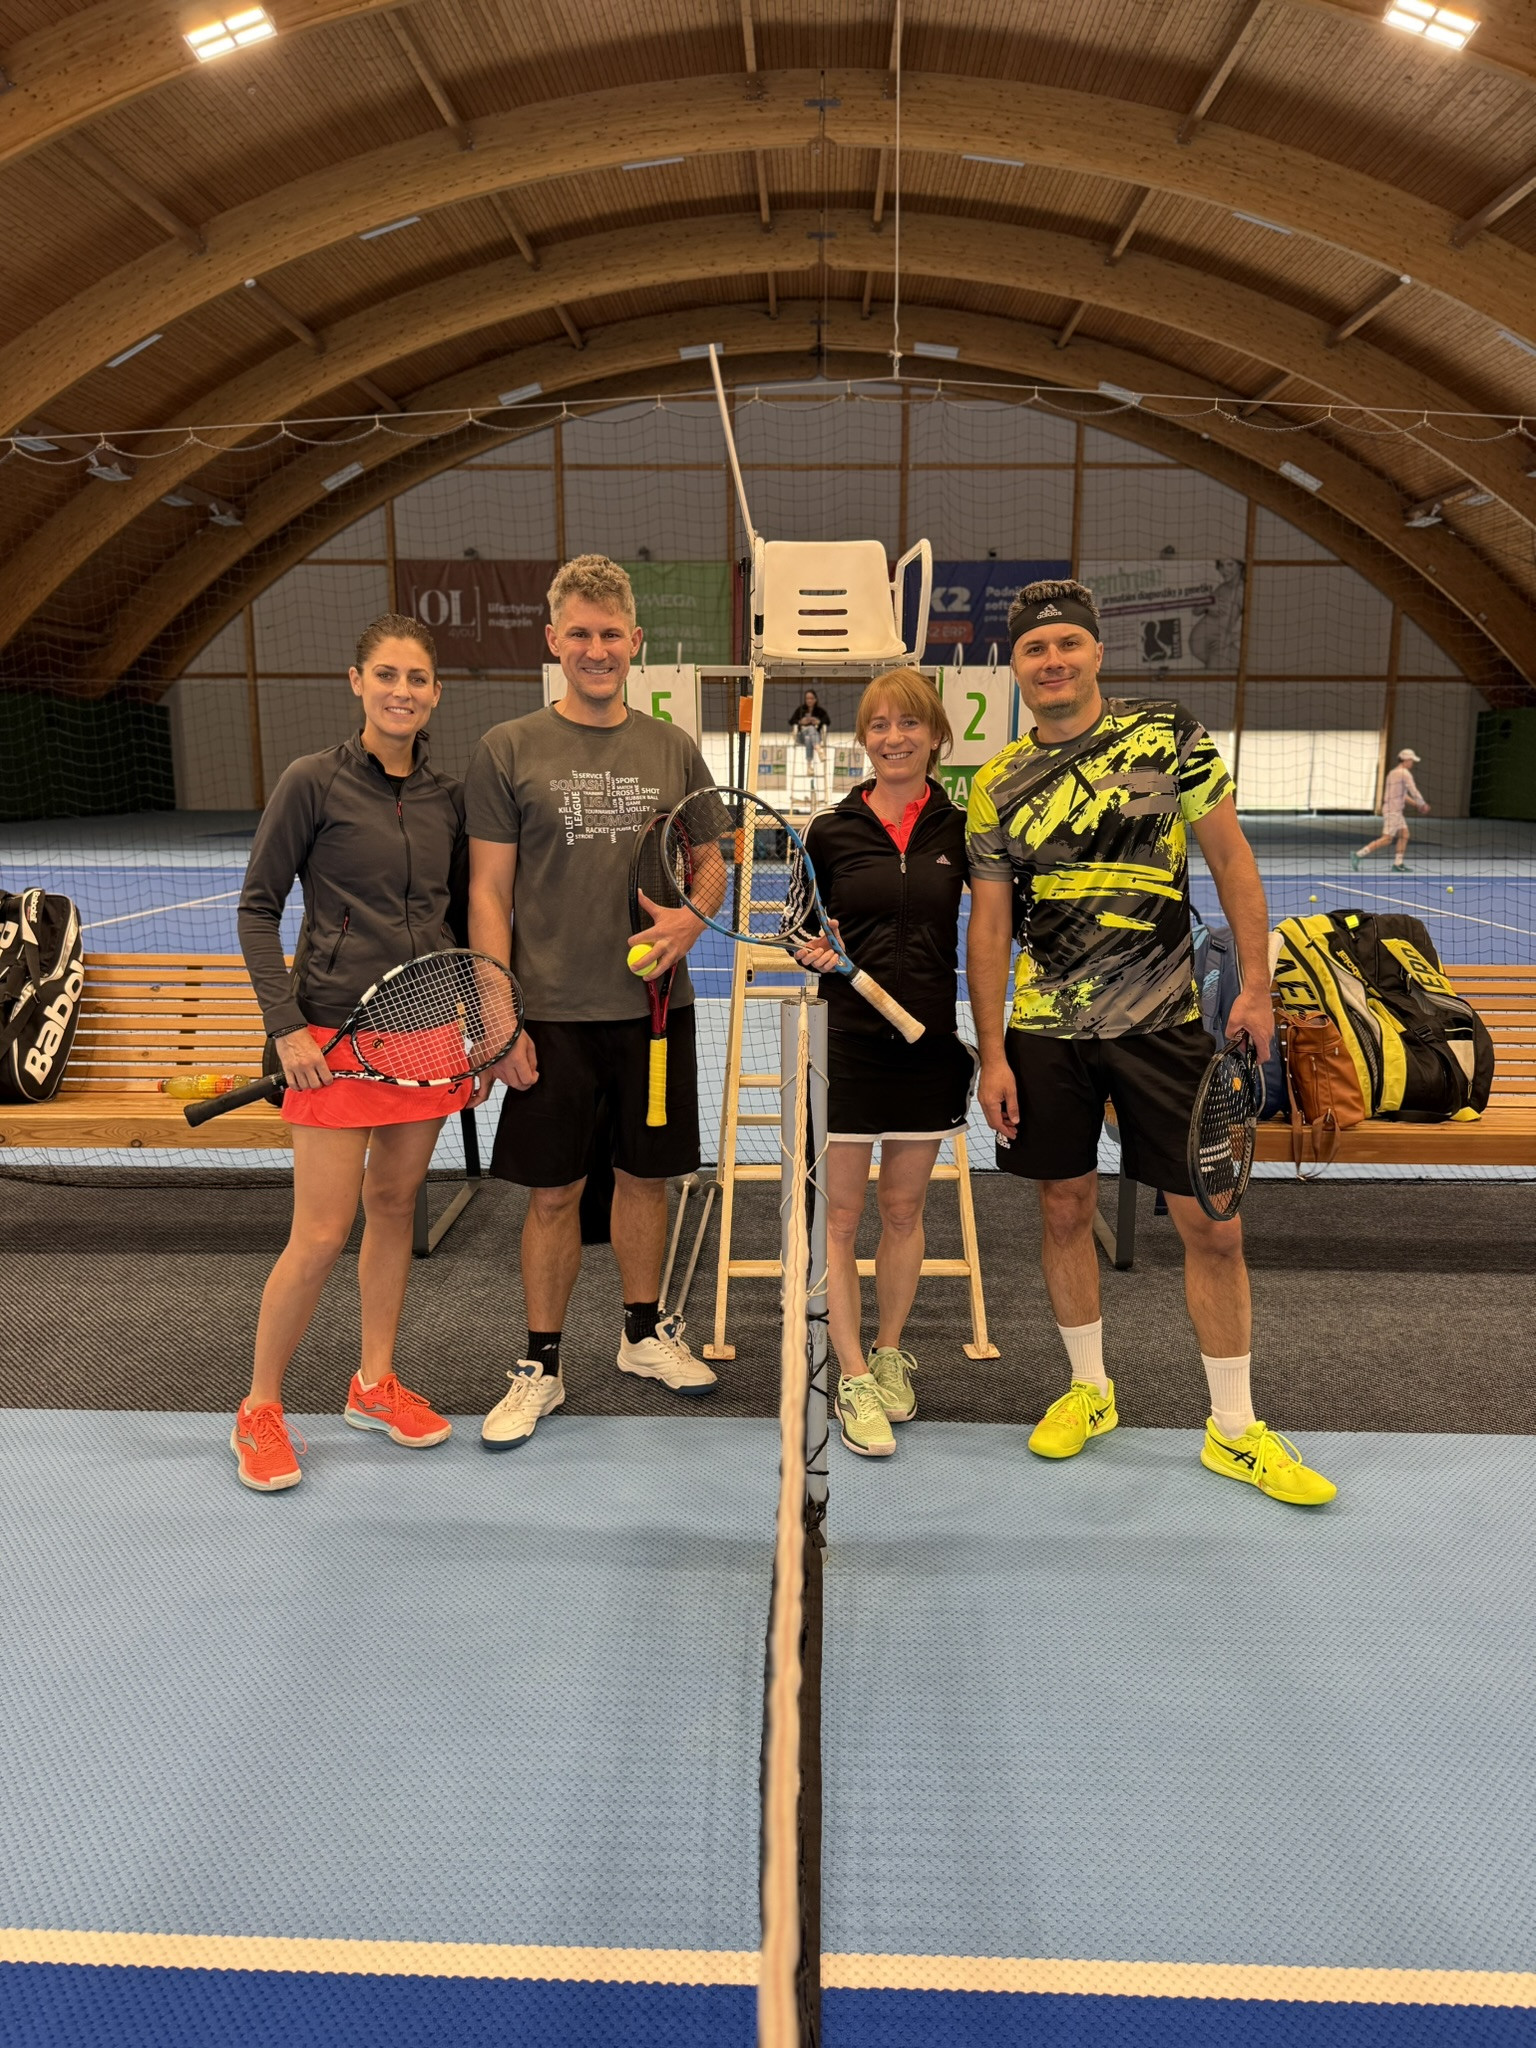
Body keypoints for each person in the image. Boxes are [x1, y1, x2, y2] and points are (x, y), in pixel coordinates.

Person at [966, 578, 1335, 1507]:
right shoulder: (996, 781)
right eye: (1034, 648)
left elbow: (1232, 858)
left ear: (1097, 653)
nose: (1052, 660)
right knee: (1063, 1210)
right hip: (1046, 1031)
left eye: (1067, 644)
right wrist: (993, 1052)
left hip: (1165, 1024)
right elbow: (990, 925)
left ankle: (1235, 1430)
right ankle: (1089, 1392)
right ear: (1015, 667)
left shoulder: (1168, 734)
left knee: (1214, 1224)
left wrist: (1257, 988)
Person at [465, 554, 720, 1448]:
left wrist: (691, 919)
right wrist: (498, 1016)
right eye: (580, 633)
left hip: (655, 1011)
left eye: (611, 633)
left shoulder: (672, 747)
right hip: (549, 1017)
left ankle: (643, 1335)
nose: (597, 648)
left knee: (648, 1178)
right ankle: (541, 1364)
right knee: (553, 1195)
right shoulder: (507, 748)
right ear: (553, 641)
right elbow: (488, 892)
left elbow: (712, 861)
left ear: (635, 641)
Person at [230, 613, 466, 1492]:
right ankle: (259, 1407)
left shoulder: (449, 797)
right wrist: (286, 1026)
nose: (403, 691)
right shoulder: (312, 781)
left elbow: (457, 915)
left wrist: (470, 1026)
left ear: (436, 693)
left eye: (418, 678)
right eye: (387, 675)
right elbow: (257, 908)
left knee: (396, 1206)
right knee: (323, 1231)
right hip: (331, 1038)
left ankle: (373, 1383)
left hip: (426, 1032)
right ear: (357, 682)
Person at [796, 668, 973, 1460]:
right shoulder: (830, 831)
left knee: (903, 1211)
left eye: (909, 723)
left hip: (928, 1046)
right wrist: (813, 949)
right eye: (878, 725)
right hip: (848, 1046)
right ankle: (854, 1373)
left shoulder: (962, 830)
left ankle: (891, 1349)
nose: (893, 737)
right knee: (839, 1219)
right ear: (863, 739)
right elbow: (800, 929)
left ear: (936, 736)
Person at [1353, 749, 1429, 873]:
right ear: (1406, 760)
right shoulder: (1405, 773)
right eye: (1411, 760)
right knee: (1387, 839)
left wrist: (1417, 805)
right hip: (1393, 811)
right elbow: (1414, 791)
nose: (1412, 763)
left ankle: (1398, 864)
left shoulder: (1392, 773)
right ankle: (1358, 854)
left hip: (1394, 810)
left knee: (1404, 834)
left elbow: (1403, 795)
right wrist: (1422, 804)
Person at [788, 686, 832, 800]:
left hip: (812, 737)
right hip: (800, 736)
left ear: (815, 699)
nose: (809, 700)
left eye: (811, 698)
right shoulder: (801, 710)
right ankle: (819, 749)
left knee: (809, 736)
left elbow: (827, 721)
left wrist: (818, 721)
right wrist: (801, 721)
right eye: (807, 698)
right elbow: (791, 721)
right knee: (810, 730)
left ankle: (809, 766)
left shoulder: (820, 711)